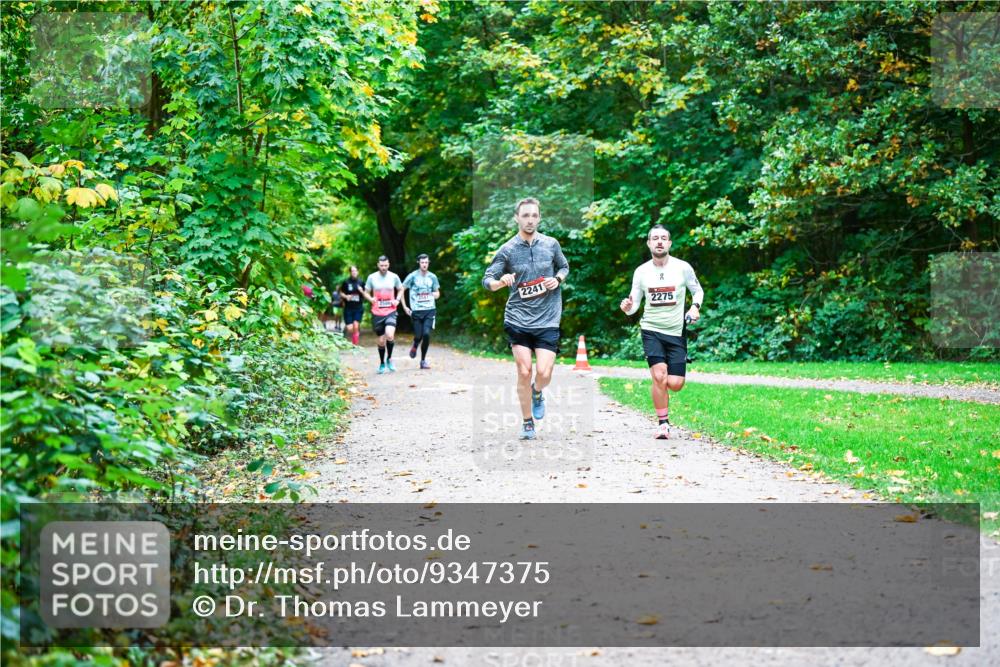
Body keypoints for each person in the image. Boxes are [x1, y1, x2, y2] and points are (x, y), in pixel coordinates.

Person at [483, 197, 569, 440]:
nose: (530, 220)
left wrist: (558, 279)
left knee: (544, 372)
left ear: (539, 218)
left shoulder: (551, 244)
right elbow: (487, 278)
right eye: (525, 215)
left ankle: (537, 392)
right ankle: (527, 421)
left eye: (534, 215)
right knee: (524, 370)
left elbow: (564, 267)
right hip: (518, 318)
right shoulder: (507, 249)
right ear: (517, 218)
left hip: (548, 318)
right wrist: (499, 282)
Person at [619, 224, 704, 439]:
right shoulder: (641, 271)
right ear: (648, 243)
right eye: (654, 238)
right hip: (651, 330)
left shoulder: (682, 267)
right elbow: (635, 304)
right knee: (659, 376)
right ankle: (663, 423)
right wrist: (628, 308)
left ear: (669, 243)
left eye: (663, 238)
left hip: (676, 331)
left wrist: (695, 307)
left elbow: (698, 291)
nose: (659, 241)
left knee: (674, 384)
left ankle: (662, 391)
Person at [363, 256, 404, 374]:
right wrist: (371, 299)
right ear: (378, 265)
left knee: (390, 335)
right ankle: (382, 362)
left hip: (391, 310)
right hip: (377, 312)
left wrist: (397, 299)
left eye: (385, 265)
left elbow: (401, 289)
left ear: (389, 264)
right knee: (381, 341)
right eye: (381, 266)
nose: (383, 268)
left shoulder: (394, 276)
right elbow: (366, 292)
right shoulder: (372, 277)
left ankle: (389, 358)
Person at [401, 253, 441, 369]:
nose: (424, 264)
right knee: (418, 335)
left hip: (430, 310)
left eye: (426, 262)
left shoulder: (432, 277)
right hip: (417, 310)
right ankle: (415, 344)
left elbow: (438, 293)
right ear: (419, 263)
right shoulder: (412, 276)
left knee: (426, 334)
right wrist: (404, 306)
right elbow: (402, 289)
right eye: (422, 262)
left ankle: (423, 360)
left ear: (429, 263)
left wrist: (435, 294)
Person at [339, 266, 364, 346]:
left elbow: (367, 293)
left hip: (358, 307)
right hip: (348, 308)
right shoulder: (346, 282)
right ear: (350, 272)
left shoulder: (361, 282)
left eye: (355, 271)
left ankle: (355, 344)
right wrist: (346, 296)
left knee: (356, 326)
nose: (354, 272)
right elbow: (341, 292)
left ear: (358, 272)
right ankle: (355, 335)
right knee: (350, 328)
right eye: (352, 271)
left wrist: (362, 291)